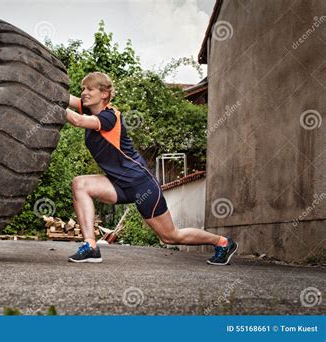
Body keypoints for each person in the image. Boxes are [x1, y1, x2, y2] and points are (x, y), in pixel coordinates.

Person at [64, 71, 237, 265]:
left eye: (89, 89)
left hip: (141, 185)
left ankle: (222, 242)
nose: (84, 92)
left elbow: (77, 120)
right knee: (80, 184)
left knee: (170, 236)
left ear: (104, 94)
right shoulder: (88, 108)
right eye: (83, 89)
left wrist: (53, 106)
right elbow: (63, 97)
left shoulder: (109, 117)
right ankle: (91, 247)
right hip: (118, 184)